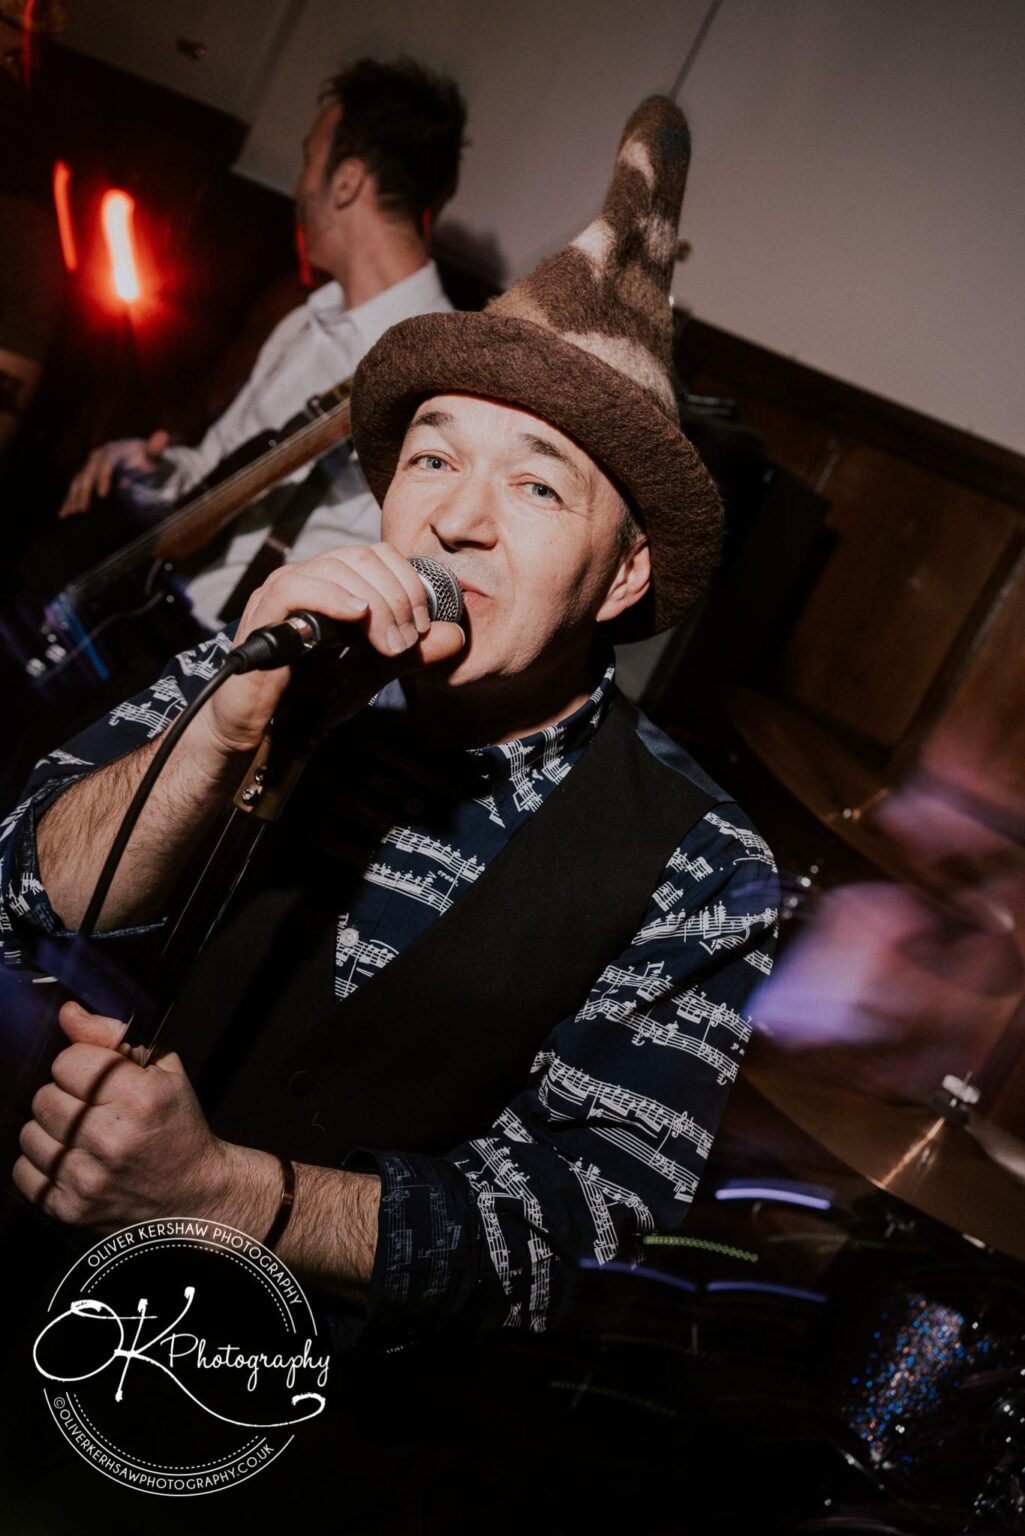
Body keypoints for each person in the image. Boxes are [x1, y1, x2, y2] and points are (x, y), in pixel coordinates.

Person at [0, 96, 778, 1522]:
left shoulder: (703, 864)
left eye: (535, 484)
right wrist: (229, 715)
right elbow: (29, 886)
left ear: (619, 578)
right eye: (431, 457)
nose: (457, 519)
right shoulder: (269, 662)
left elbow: (593, 1230)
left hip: (306, 1446)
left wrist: (222, 1195)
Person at [55, 55, 467, 634]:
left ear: (346, 182)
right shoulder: (305, 320)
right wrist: (150, 469)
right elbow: (210, 471)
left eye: (309, 160)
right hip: (152, 618)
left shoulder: (439, 373)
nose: (300, 186)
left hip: (254, 656)